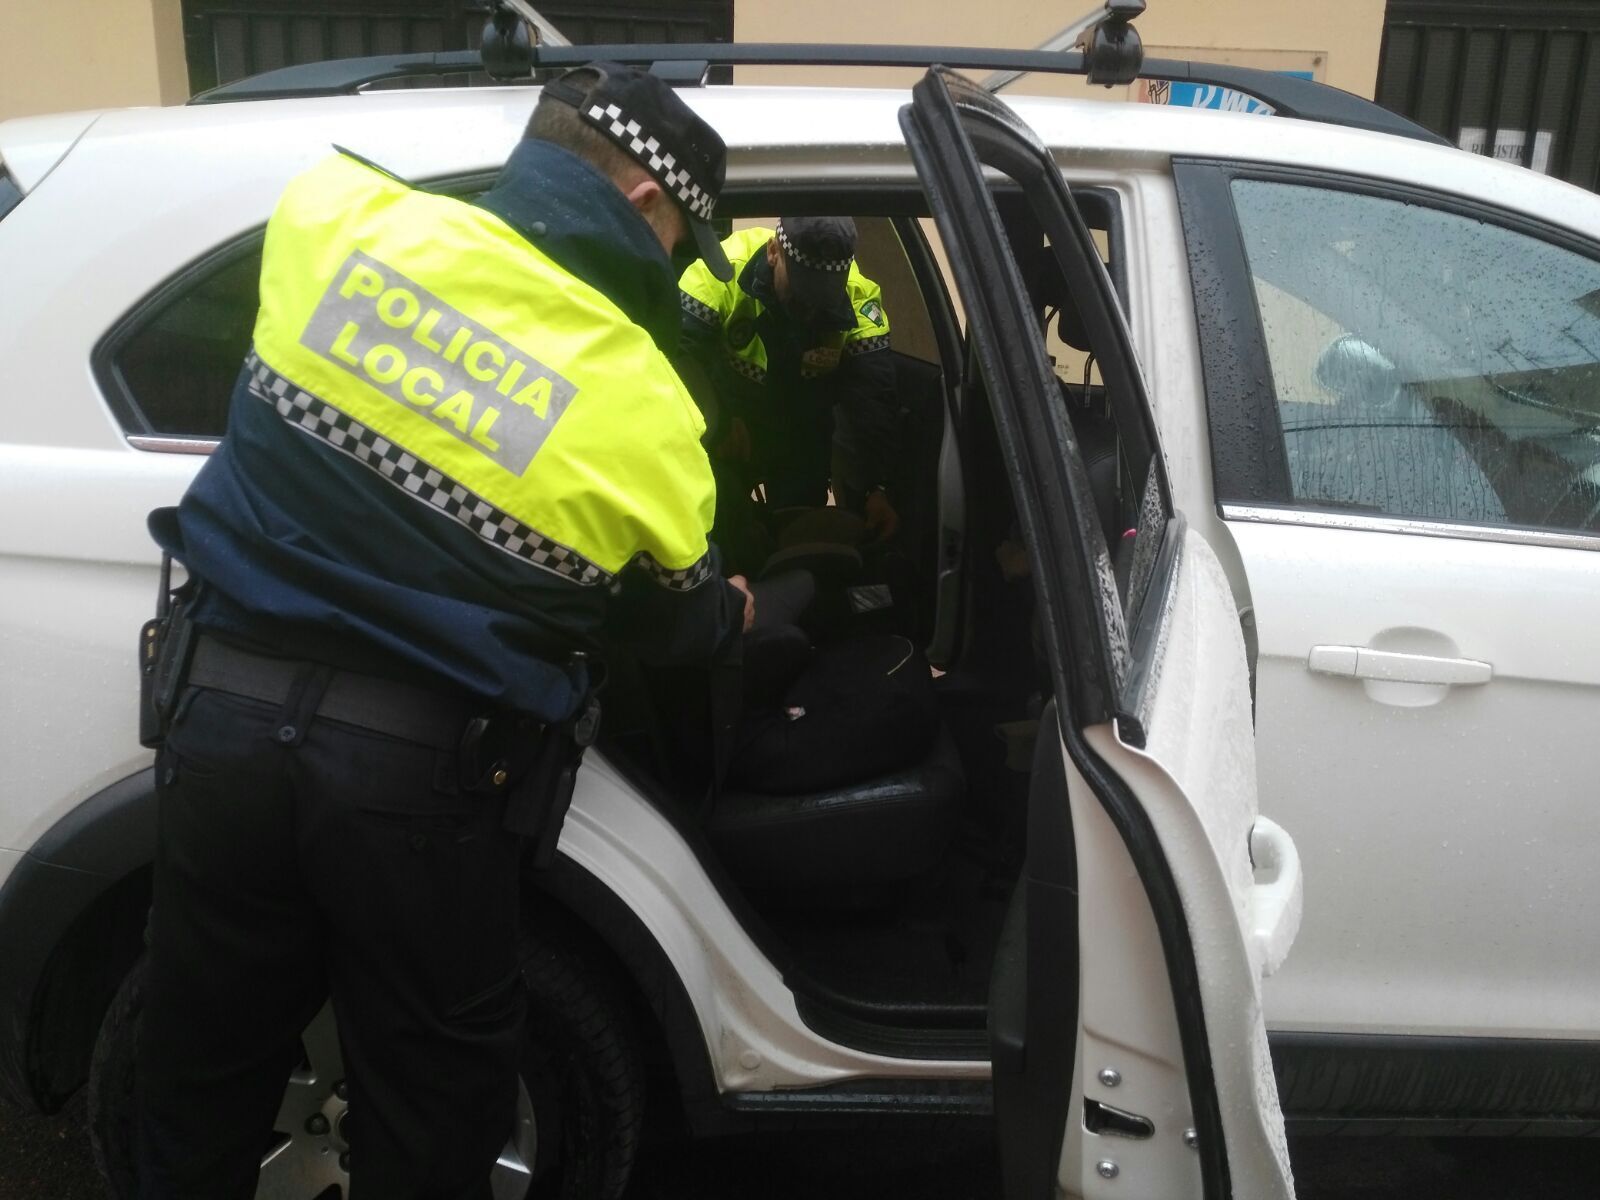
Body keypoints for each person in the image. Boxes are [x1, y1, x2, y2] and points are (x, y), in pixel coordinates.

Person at [135, 63, 751, 1200]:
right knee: (430, 1109)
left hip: (218, 728)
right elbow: (679, 619)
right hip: (417, 790)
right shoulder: (643, 400)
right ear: (648, 203)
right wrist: (735, 612)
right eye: (682, 244)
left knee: (192, 1077)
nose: (675, 271)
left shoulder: (334, 216)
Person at [677, 217, 900, 574]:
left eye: (823, 300)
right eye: (800, 295)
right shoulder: (719, 272)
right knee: (722, 526)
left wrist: (876, 486)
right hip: (730, 420)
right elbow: (675, 360)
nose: (810, 311)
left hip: (802, 426)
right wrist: (716, 425)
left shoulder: (859, 298)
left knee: (800, 540)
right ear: (773, 253)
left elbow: (871, 400)